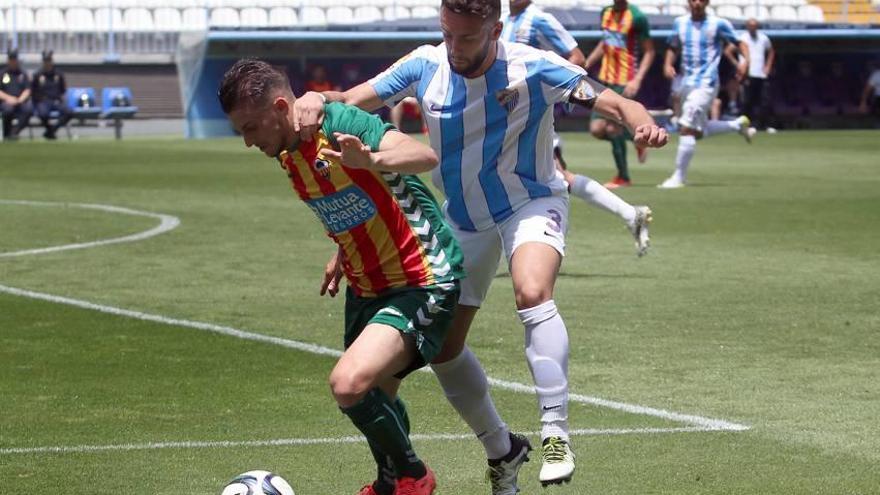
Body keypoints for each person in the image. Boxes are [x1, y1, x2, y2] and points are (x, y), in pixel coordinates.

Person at [292, 0, 668, 491]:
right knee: (444, 346)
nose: (454, 47)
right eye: (447, 33)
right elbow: (350, 98)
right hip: (464, 219)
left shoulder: (532, 66)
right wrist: (317, 98)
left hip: (530, 201)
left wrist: (641, 122)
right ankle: (503, 449)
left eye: (467, 38)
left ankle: (556, 433)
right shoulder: (424, 64)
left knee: (532, 292)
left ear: (495, 29)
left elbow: (617, 103)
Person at [218, 58, 466, 495]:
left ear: (279, 107)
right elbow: (353, 198)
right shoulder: (288, 147)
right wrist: (341, 250)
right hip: (366, 281)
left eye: (251, 127)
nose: (248, 142)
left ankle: (413, 476)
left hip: (421, 273)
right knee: (378, 396)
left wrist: (369, 157)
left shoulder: (336, 124)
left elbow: (421, 155)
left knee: (348, 384)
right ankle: (390, 484)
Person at [502, 0, 654, 253]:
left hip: (529, 117)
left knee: (554, 177)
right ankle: (628, 214)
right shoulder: (505, 18)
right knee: (555, 177)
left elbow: (576, 57)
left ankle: (546, 238)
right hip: (509, 118)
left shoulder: (539, 19)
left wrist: (555, 93)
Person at [659, 0, 754, 189]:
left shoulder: (719, 23)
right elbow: (673, 46)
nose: (696, 3)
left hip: (706, 83)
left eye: (701, 0)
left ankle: (679, 177)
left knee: (685, 128)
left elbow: (740, 43)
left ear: (707, 2)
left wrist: (745, 61)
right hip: (686, 82)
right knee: (697, 132)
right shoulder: (680, 22)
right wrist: (668, 64)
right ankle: (737, 125)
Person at [583, 0, 655, 188]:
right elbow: (605, 42)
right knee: (597, 129)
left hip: (625, 80)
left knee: (612, 128)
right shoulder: (605, 12)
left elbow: (649, 51)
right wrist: (588, 63)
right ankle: (636, 140)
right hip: (605, 79)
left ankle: (623, 177)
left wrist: (637, 80)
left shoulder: (637, 16)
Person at [739, 18, 775, 131]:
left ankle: (764, 126)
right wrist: (738, 66)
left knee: (764, 101)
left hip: (761, 74)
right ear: (747, 26)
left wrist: (768, 66)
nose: (752, 28)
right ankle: (745, 126)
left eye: (755, 26)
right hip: (748, 74)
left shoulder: (763, 38)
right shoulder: (742, 38)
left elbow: (771, 51)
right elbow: (729, 51)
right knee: (747, 101)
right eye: (750, 25)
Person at [31, 50, 73, 140]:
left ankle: (52, 131)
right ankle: (50, 132)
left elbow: (62, 89)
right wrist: (38, 100)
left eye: (49, 60)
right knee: (43, 114)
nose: (47, 63)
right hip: (43, 101)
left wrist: (60, 99)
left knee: (69, 112)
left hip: (56, 100)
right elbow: (33, 91)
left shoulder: (58, 74)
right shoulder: (37, 75)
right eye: (46, 61)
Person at [0, 49, 33, 140]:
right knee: (8, 109)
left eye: (14, 59)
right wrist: (9, 99)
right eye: (11, 59)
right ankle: (7, 133)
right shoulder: (3, 74)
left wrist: (19, 100)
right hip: (6, 101)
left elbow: (27, 89)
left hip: (20, 101)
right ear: (8, 60)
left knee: (28, 110)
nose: (13, 61)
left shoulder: (22, 74)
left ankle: (14, 132)